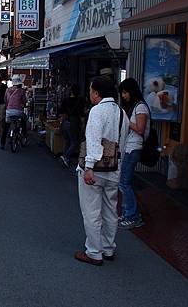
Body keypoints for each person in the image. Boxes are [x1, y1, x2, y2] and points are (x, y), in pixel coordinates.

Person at [75, 75, 129, 266]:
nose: (89, 94)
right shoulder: (122, 113)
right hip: (114, 169)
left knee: (91, 211)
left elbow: (93, 141)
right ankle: (108, 248)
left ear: (96, 93)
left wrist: (89, 167)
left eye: (90, 90)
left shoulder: (97, 111)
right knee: (110, 210)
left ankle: (94, 252)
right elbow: (122, 144)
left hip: (95, 170)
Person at [118, 78, 149, 229]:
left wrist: (126, 120)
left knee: (124, 182)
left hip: (134, 148)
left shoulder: (141, 107)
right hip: (129, 148)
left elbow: (140, 129)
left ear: (131, 91)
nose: (123, 96)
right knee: (124, 182)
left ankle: (133, 215)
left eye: (125, 92)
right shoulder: (134, 107)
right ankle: (128, 212)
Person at [59, 85, 85, 168]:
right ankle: (66, 156)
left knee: (67, 141)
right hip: (74, 122)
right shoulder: (80, 100)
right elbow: (82, 113)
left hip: (65, 122)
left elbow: (61, 113)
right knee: (74, 142)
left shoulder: (65, 100)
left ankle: (65, 158)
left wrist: (61, 122)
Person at [0, 75, 27, 149]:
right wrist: (23, 104)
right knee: (23, 120)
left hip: (9, 111)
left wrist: (8, 107)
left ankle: (2, 144)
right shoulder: (22, 91)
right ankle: (24, 135)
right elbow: (24, 101)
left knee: (6, 127)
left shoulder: (8, 90)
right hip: (18, 111)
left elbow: (5, 100)